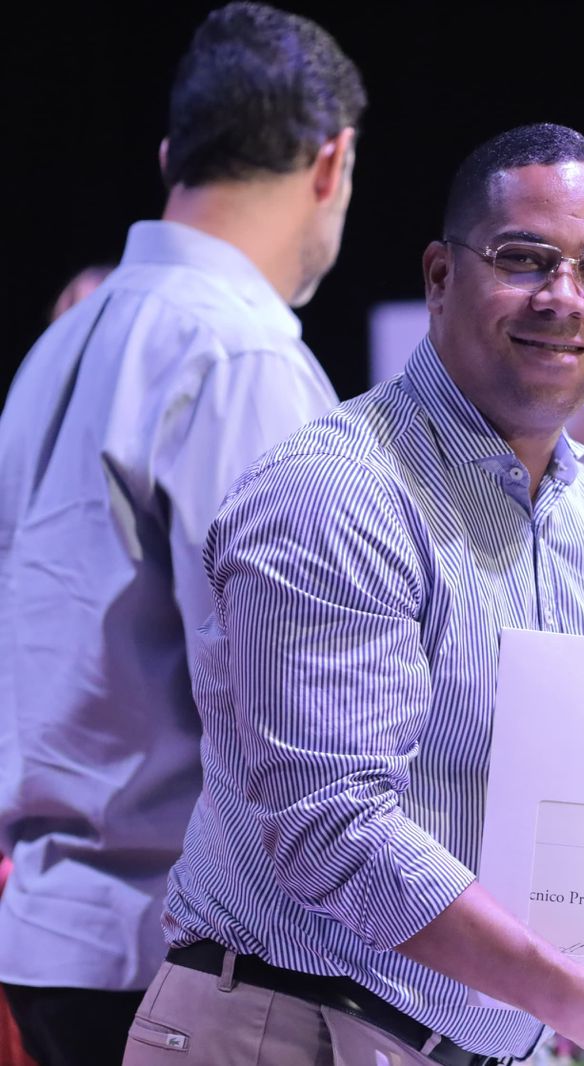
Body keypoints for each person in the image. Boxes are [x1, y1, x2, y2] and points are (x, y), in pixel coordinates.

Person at [130, 124, 584, 1066]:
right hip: (288, 1031)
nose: (563, 297)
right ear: (439, 277)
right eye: (524, 259)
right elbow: (332, 826)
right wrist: (578, 998)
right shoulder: (337, 493)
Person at [0, 6, 363, 1064]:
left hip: (57, 936)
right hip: (181, 962)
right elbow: (291, 695)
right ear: (332, 162)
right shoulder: (241, 355)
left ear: (172, 157)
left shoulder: (63, 340)